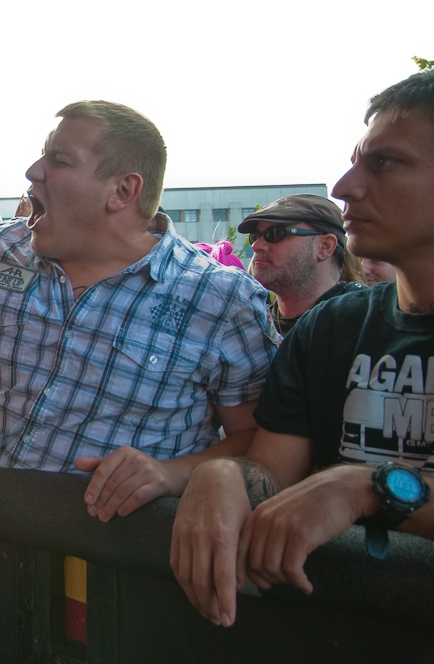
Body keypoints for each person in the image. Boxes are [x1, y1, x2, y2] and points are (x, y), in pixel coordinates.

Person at [0, 103, 277, 522]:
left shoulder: (221, 300)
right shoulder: (6, 249)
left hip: (114, 566)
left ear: (123, 191)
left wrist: (173, 475)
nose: (34, 171)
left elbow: (259, 440)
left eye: (60, 160)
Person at [170, 69, 434, 629]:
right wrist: (222, 476)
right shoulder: (332, 326)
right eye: (356, 160)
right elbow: (273, 472)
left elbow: (344, 488)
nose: (344, 187)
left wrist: (367, 485)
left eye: (384, 162)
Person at [240, 194, 365, 335]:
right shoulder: (248, 321)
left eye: (275, 233)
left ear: (325, 246)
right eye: (255, 236)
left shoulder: (365, 322)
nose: (256, 245)